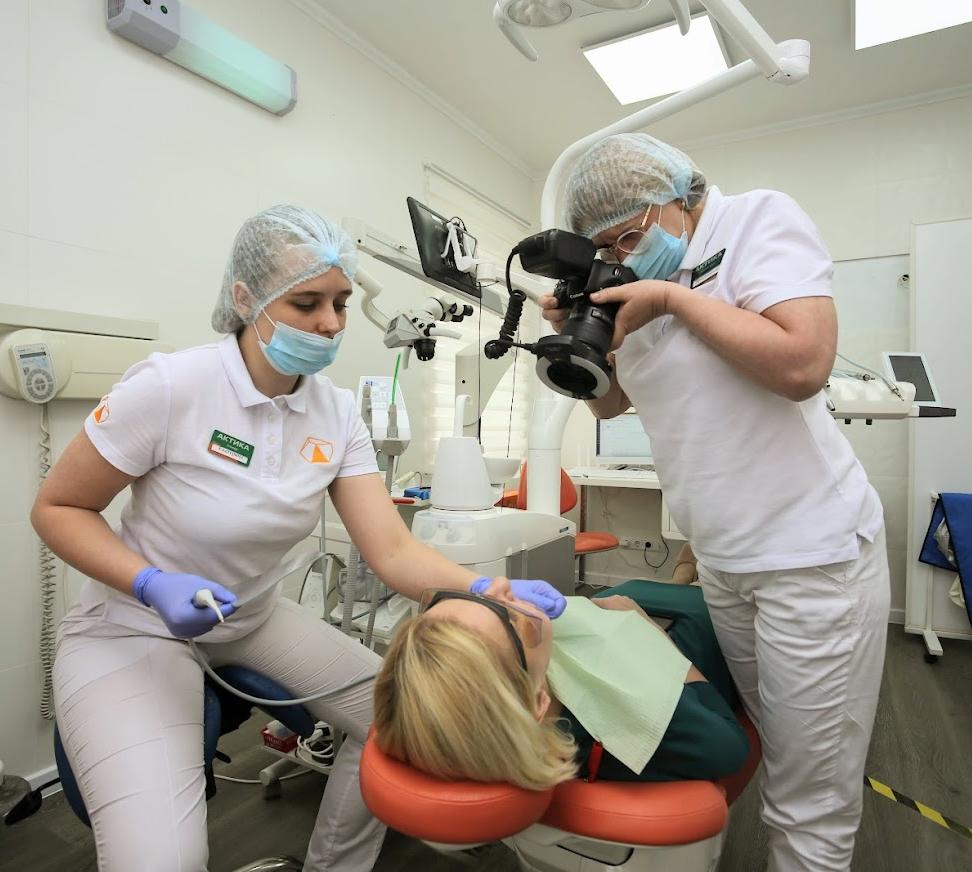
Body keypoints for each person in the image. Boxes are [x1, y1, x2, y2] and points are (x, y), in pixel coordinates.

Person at [31, 205, 565, 872]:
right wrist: (149, 582)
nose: (332, 323)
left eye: (340, 302)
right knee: (163, 859)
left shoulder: (335, 413)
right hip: (134, 624)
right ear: (245, 299)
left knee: (398, 722)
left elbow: (392, 551)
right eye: (307, 303)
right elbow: (58, 508)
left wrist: (485, 588)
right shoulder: (173, 386)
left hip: (252, 614)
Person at [540, 133, 890, 872]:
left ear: (677, 198)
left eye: (628, 236)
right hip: (725, 561)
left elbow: (804, 363)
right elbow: (611, 405)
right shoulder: (633, 279)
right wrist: (578, 342)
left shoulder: (755, 220)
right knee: (775, 738)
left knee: (811, 798)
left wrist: (674, 298)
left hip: (809, 556)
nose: (621, 256)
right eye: (604, 247)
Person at [374, 577, 749, 790]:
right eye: (510, 616)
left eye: (472, 597)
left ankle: (686, 574)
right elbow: (729, 748)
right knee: (700, 603)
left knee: (631, 591)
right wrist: (649, 633)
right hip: (691, 634)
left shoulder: (523, 669)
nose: (501, 583)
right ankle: (689, 575)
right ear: (538, 702)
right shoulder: (626, 730)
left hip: (615, 610)